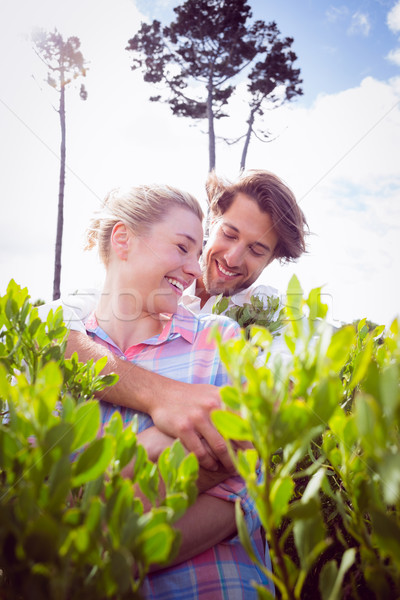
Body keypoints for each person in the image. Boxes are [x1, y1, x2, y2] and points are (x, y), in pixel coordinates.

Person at [40, 169, 307, 471]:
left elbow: (270, 406)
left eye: (256, 250)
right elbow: (51, 327)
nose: (232, 258)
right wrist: (163, 395)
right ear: (213, 222)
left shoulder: (271, 315)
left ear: (270, 260)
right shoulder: (145, 284)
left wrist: (155, 444)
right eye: (229, 234)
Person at [79, 183, 273, 598]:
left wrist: (92, 550)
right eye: (183, 247)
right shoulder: (56, 347)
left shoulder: (220, 341)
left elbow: (241, 487)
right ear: (123, 239)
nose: (194, 267)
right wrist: (153, 447)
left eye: (197, 249)